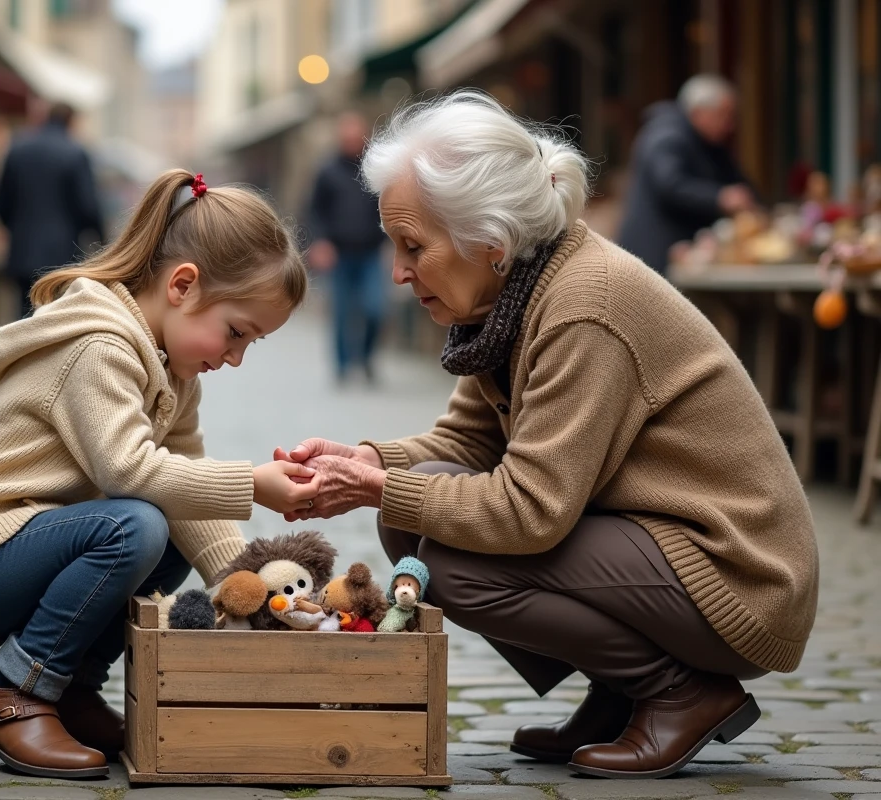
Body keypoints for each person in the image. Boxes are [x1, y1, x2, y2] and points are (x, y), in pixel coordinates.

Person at [276, 92, 817, 780]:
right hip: (662, 544)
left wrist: (383, 487)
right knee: (411, 515)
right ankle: (621, 692)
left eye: (414, 247)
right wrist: (365, 464)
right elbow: (465, 446)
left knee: (446, 559)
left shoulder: (582, 308)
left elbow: (530, 510)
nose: (398, 272)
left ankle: (680, 694)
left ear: (490, 242)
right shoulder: (513, 293)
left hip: (736, 574)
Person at [0, 169, 318, 779]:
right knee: (136, 525)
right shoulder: (98, 347)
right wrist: (253, 483)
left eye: (249, 344)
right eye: (236, 332)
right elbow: (132, 471)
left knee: (165, 526)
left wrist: (247, 585)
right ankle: (8, 689)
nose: (235, 356)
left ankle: (67, 690)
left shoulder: (175, 374)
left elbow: (189, 489)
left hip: (14, 556)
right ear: (182, 284)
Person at [618, 74, 757, 273]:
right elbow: (671, 185)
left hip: (681, 251)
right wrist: (720, 197)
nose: (730, 125)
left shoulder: (707, 143)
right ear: (700, 112)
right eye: (724, 115)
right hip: (657, 252)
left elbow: (736, 179)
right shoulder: (667, 136)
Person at [0, 103, 106, 318]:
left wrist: (17, 229)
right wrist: (101, 243)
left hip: (23, 251)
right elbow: (87, 206)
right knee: (56, 319)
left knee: (24, 316)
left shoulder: (17, 150)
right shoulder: (75, 153)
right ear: (70, 121)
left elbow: (1, 202)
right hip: (62, 253)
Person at [307, 112, 389, 383]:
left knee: (375, 308)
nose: (353, 141)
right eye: (348, 137)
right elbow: (314, 212)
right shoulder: (327, 171)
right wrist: (319, 242)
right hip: (339, 254)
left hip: (370, 252)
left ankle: (365, 358)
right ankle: (342, 366)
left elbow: (389, 209)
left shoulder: (376, 170)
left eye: (357, 137)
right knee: (341, 313)